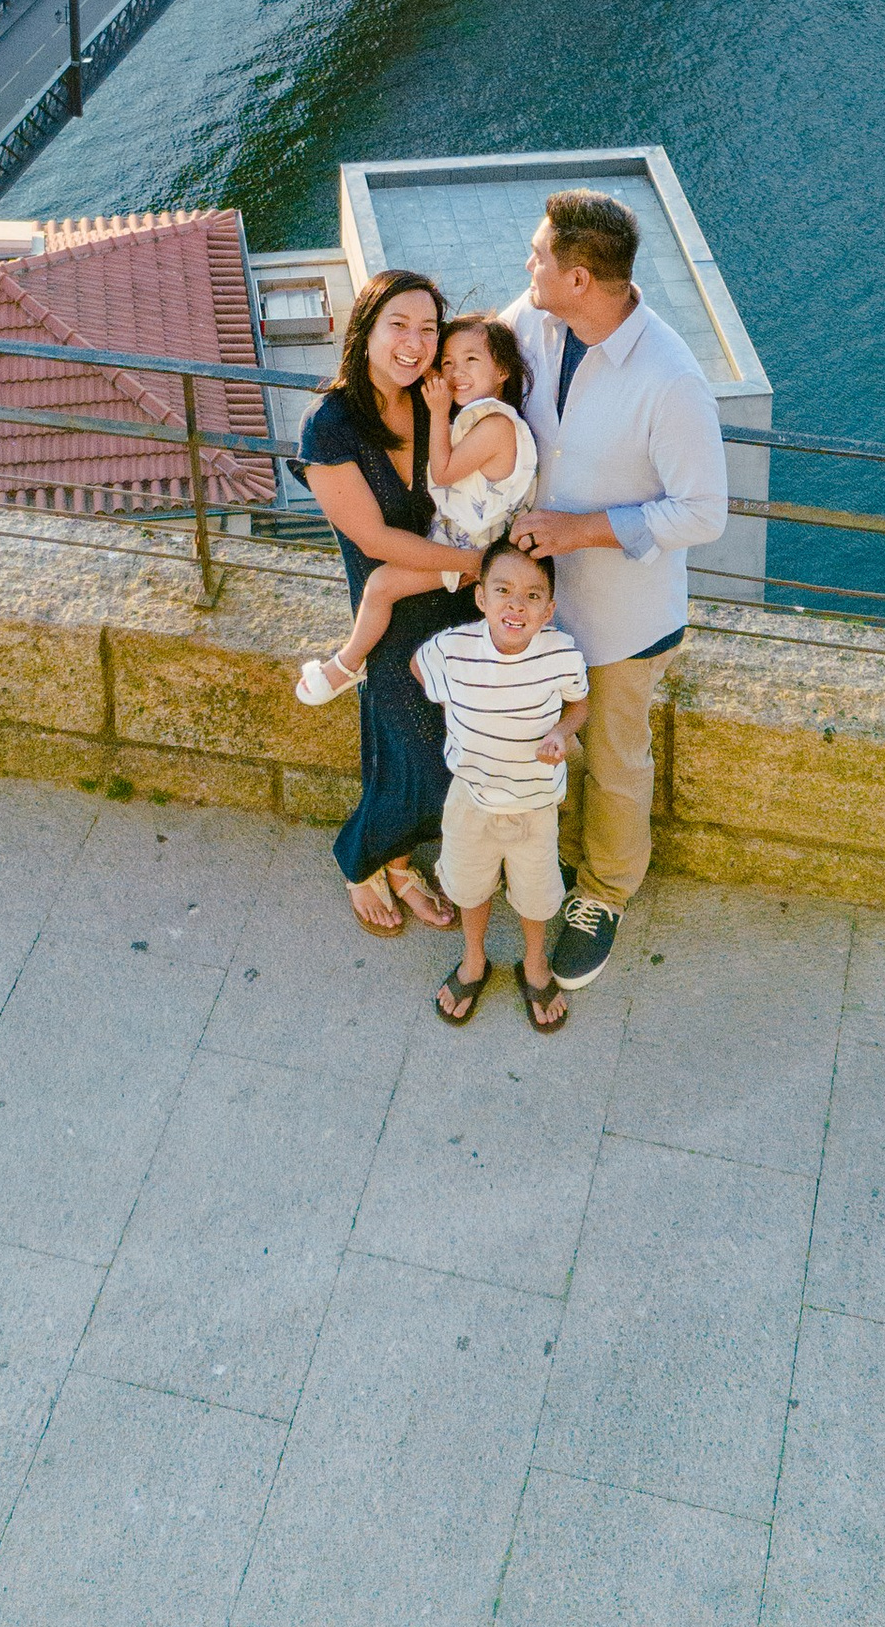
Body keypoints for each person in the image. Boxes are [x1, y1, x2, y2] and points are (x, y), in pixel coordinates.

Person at [503, 187, 728, 992]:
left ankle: (602, 894)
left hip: (623, 620)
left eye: (538, 255)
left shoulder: (672, 378)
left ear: (580, 278)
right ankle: (549, 861)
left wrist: (580, 528)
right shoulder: (534, 320)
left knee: (613, 761)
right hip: (536, 604)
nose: (526, 263)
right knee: (535, 735)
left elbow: (704, 511)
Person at [296, 268, 477, 936]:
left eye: (429, 327)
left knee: (445, 745)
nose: (415, 341)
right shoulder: (331, 425)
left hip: (460, 604)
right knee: (434, 764)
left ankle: (398, 860)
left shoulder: (441, 400)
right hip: (394, 614)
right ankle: (360, 855)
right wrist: (474, 564)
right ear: (365, 328)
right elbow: (372, 536)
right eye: (398, 324)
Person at [295, 315, 534, 705]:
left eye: (471, 360)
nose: (456, 373)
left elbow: (441, 472)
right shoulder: (483, 419)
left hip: (478, 549)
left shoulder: (495, 426)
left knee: (381, 586)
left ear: (503, 370)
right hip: (477, 545)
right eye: (449, 363)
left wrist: (438, 412)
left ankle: (345, 666)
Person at [415, 535, 589, 1034]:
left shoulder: (561, 654)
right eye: (504, 590)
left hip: (535, 805)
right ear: (481, 597)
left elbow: (580, 703)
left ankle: (534, 963)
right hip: (470, 798)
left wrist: (561, 731)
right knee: (470, 887)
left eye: (533, 595)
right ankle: (474, 959)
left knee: (535, 896)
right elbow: (418, 665)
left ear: (549, 609)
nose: (516, 604)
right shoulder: (452, 649)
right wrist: (450, 702)